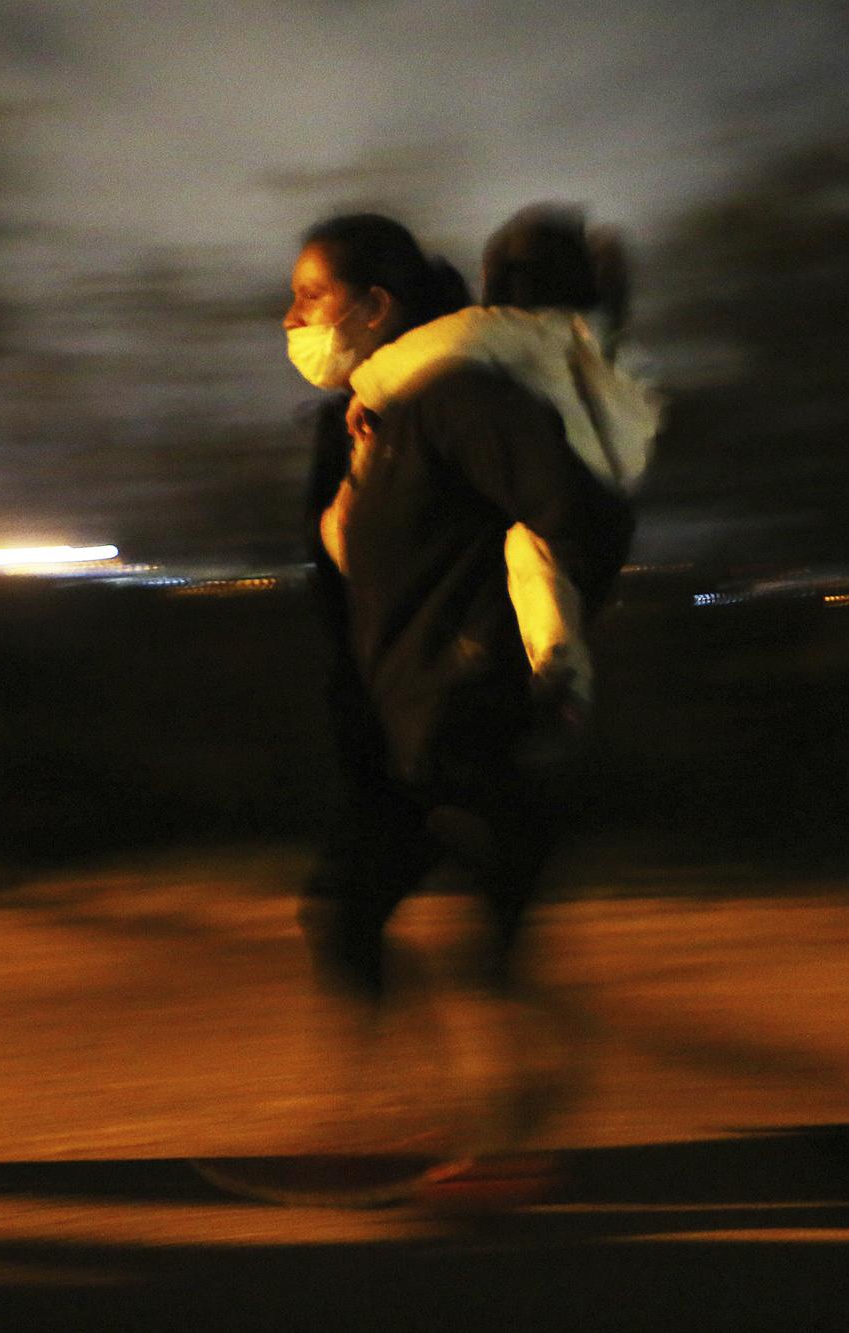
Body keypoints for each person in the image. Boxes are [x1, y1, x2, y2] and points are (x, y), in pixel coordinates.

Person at [285, 212, 633, 1153]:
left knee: (481, 948)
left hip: (478, 720)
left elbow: (581, 513)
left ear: (376, 303)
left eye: (309, 297)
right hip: (402, 735)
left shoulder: (454, 396)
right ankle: (445, 1116)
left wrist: (516, 654)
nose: (291, 319)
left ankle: (498, 1143)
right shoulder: (378, 411)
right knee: (344, 913)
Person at [336, 202, 663, 720]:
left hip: (560, 459)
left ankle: (558, 666)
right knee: (535, 559)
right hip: (611, 465)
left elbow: (446, 343)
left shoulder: (520, 329)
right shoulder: (607, 341)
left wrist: (370, 389)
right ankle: (562, 669)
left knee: (526, 552)